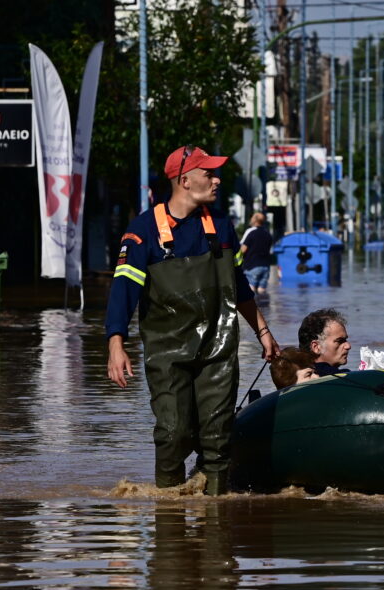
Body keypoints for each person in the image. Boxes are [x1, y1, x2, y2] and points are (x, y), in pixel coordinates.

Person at [106, 144, 280, 496]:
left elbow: (240, 287)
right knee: (173, 432)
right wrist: (115, 345)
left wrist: (263, 331)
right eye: (209, 174)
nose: (216, 181)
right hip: (167, 353)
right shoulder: (142, 232)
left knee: (218, 439)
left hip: (218, 350)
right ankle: (169, 521)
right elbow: (122, 292)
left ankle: (215, 525)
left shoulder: (221, 226)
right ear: (184, 180)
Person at [298, 308, 352, 377]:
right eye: (339, 341)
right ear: (316, 347)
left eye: (345, 340)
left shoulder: (294, 375)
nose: (348, 346)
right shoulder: (341, 378)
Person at [240, 211, 273, 295]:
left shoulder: (251, 232)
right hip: (266, 266)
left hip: (252, 265)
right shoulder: (267, 234)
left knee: (251, 292)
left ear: (255, 220)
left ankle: (254, 308)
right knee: (262, 292)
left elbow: (243, 250)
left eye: (252, 217)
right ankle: (265, 308)